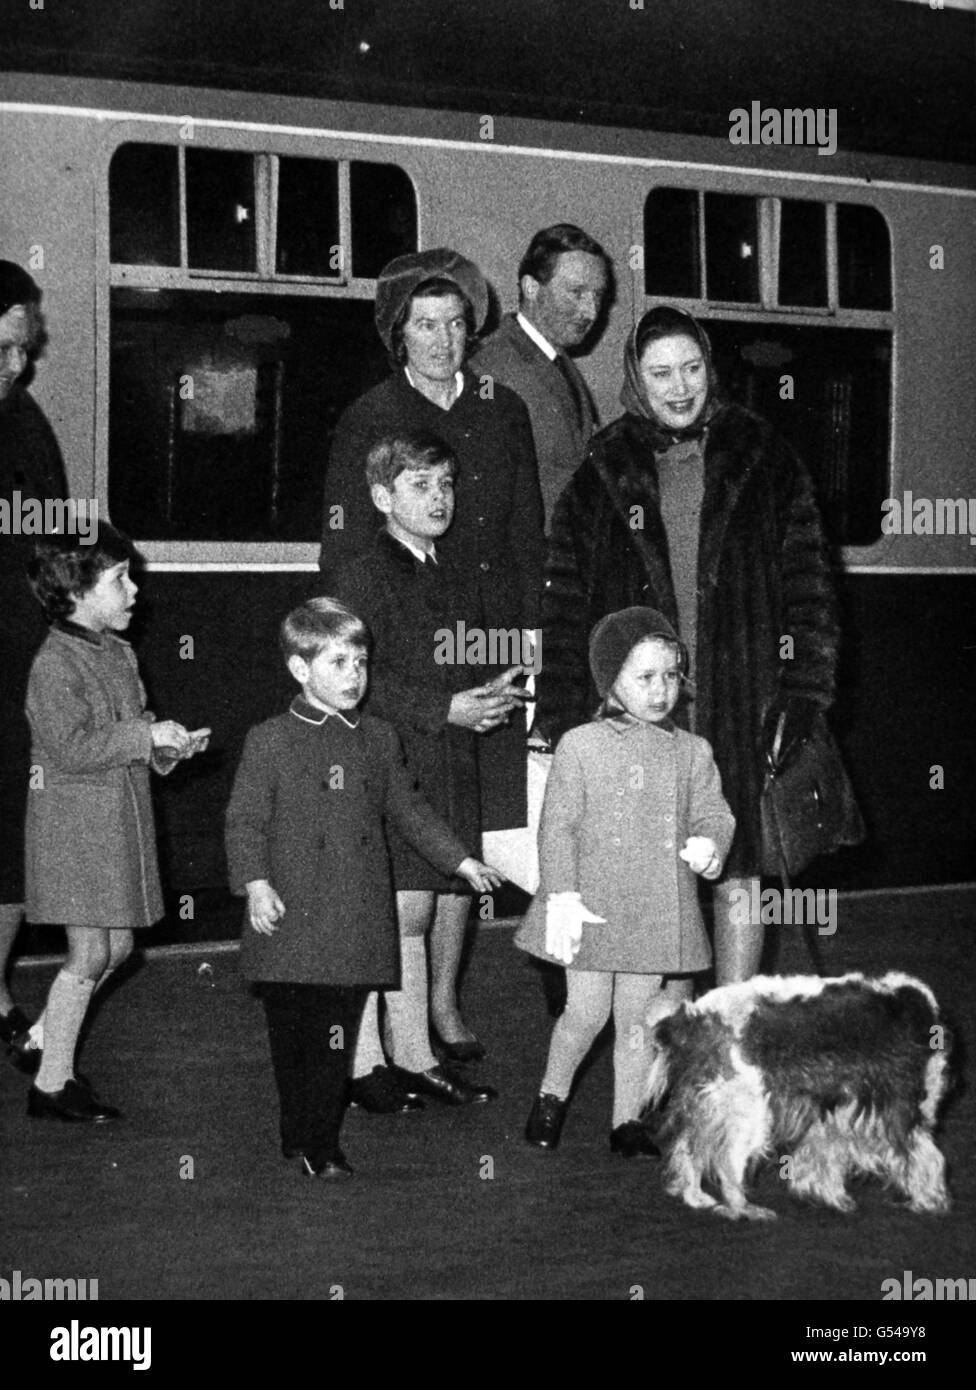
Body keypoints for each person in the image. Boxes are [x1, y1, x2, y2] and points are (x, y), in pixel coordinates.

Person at [536, 304, 839, 985]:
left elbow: (809, 587)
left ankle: (728, 1031)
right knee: (653, 877)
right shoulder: (601, 468)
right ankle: (664, 1038)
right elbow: (564, 604)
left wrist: (803, 693)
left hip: (742, 693)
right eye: (661, 373)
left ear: (711, 369)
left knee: (737, 871)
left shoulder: (765, 456)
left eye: (693, 368)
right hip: (644, 708)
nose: (680, 387)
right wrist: (557, 716)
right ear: (636, 381)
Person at [225, 598, 503, 1179]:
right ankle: (297, 1130)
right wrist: (254, 884)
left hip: (353, 914)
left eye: (362, 662)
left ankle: (321, 1144)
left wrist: (462, 861)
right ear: (300, 670)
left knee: (335, 1035)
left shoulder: (379, 738)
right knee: (293, 1035)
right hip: (288, 914)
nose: (355, 676)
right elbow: (244, 820)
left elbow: (410, 810)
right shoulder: (270, 739)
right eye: (338, 663)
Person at [319, 248, 545, 838]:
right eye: (426, 325)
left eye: (456, 324)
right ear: (399, 335)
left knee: (482, 828)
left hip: (490, 636)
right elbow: (342, 552)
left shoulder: (504, 409)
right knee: (421, 822)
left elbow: (527, 535)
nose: (444, 341)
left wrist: (532, 644)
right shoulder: (370, 416)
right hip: (409, 646)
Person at [332, 433, 526, 1080]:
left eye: (446, 484)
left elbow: (453, 661)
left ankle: (410, 1055)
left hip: (449, 761)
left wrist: (490, 690)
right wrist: (445, 709)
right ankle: (370, 1062)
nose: (439, 497)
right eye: (421, 485)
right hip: (400, 763)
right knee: (402, 914)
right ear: (382, 496)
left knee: (429, 905)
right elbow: (354, 682)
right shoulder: (361, 576)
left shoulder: (449, 570)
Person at [516, 608, 735, 1155]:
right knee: (585, 1014)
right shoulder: (581, 745)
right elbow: (557, 826)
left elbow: (715, 814)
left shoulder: (692, 751)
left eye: (670, 676)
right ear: (610, 679)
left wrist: (711, 846)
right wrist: (561, 894)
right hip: (589, 906)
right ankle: (551, 1095)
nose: (661, 690)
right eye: (644, 677)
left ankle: (627, 1121)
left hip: (655, 908)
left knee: (636, 1019)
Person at [19, 526, 210, 1120]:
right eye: (120, 580)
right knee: (88, 955)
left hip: (116, 825)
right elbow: (72, 748)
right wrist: (142, 735)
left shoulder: (119, 652)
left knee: (118, 947)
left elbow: (131, 733)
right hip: (73, 832)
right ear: (75, 592)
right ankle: (51, 1083)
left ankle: (44, 1036)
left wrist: (167, 746)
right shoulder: (54, 662)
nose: (134, 591)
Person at [0, 261, 67, 1057]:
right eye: (5, 350)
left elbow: (53, 544)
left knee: (14, 842)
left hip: (19, 668)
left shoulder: (26, 423)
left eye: (24, 350)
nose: (18, 367)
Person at [470, 223, 610, 529]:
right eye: (576, 293)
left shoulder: (561, 364)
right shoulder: (491, 367)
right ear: (531, 288)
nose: (591, 311)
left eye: (598, 296)